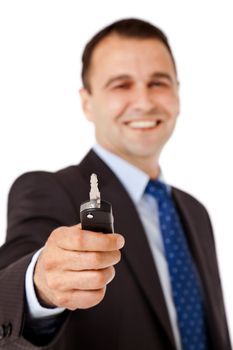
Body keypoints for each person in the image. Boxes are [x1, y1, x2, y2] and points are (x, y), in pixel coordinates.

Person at [0, 18, 231, 350]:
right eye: (121, 85)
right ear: (87, 102)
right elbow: (7, 295)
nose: (144, 101)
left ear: (177, 92)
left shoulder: (195, 211)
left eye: (158, 83)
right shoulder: (47, 191)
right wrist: (40, 286)